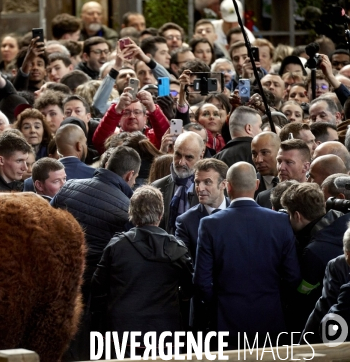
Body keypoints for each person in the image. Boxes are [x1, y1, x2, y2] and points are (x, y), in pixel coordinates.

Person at [194, 162, 300, 345]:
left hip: (226, 320)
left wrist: (218, 306)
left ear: (228, 186)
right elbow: (293, 277)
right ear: (257, 185)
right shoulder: (281, 222)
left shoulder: (210, 224)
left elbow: (201, 281)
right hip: (271, 319)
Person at [52, 145, 140, 360]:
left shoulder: (69, 186)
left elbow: (50, 224)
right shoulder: (126, 208)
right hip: (96, 292)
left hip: (60, 281)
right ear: (130, 175)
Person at [91, 185, 192, 352]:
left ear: (132, 214)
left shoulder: (116, 246)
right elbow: (189, 288)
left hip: (121, 332)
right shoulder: (178, 249)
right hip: (165, 333)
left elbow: (98, 288)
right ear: (160, 215)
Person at [281, 182, 350, 331]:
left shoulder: (313, 252)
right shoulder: (345, 221)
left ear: (297, 216)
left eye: (288, 213)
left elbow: (302, 296)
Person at [175, 158, 229, 264]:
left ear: (223, 184)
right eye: (197, 182)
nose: (200, 188)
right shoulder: (185, 222)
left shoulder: (240, 213)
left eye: (207, 182)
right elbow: (183, 264)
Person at [151, 132, 204, 233]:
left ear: (200, 156)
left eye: (189, 157)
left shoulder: (211, 188)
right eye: (178, 155)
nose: (181, 162)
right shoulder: (157, 187)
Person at [256, 139, 310, 209]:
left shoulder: (316, 198)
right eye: (279, 161)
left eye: (288, 162)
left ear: (305, 167)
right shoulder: (264, 198)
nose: (281, 167)